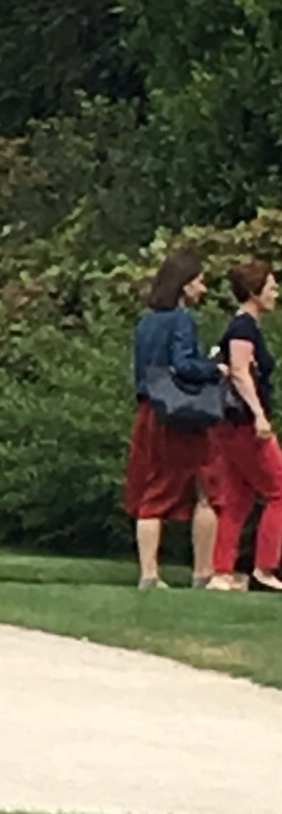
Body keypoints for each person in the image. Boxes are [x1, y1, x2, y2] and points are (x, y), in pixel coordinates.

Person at [129, 248, 226, 590]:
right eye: (199, 282)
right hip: (180, 415)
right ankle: (203, 571)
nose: (203, 288)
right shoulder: (181, 319)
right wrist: (214, 368)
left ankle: (149, 571)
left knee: (152, 489)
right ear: (184, 285)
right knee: (205, 488)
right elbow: (183, 364)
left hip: (149, 410)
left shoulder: (145, 322)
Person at [215, 262, 282, 593]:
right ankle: (265, 568)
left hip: (230, 425)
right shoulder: (243, 328)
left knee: (237, 497)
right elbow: (240, 373)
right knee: (279, 490)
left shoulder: (245, 326)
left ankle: (222, 572)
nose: (275, 292)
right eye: (270, 286)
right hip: (244, 423)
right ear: (254, 292)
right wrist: (259, 415)